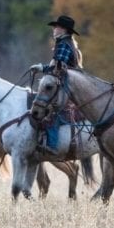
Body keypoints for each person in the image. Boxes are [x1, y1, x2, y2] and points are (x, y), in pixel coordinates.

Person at [29, 15, 83, 155]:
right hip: (67, 85)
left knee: (52, 112)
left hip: (67, 87)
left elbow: (58, 68)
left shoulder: (64, 45)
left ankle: (51, 146)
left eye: (56, 27)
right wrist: (42, 68)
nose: (54, 29)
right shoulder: (65, 43)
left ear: (64, 30)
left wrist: (41, 68)